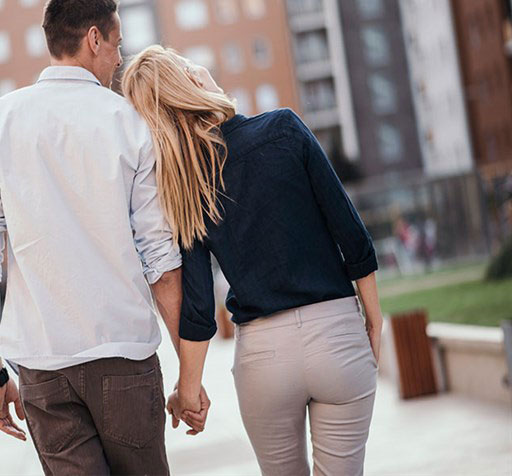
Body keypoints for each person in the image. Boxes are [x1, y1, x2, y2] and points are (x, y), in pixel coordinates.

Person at [0, 0, 206, 475]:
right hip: (125, 356)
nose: (118, 59)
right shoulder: (131, 125)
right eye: (117, 44)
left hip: (41, 366)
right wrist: (189, 378)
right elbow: (160, 260)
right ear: (94, 39)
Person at [122, 45, 383, 476]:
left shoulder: (187, 190)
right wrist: (373, 318)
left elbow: (200, 308)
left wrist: (189, 387)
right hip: (337, 336)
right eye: (190, 66)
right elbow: (353, 237)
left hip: (263, 361)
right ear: (195, 83)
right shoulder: (285, 129)